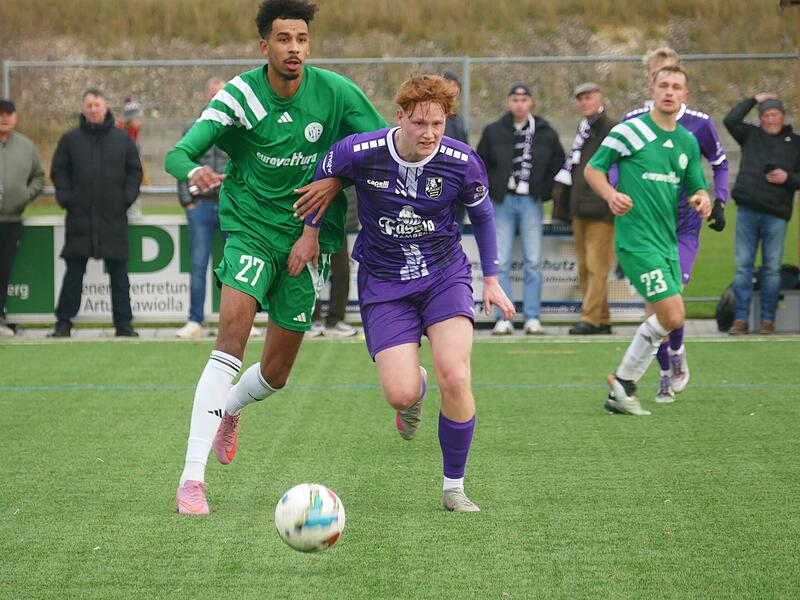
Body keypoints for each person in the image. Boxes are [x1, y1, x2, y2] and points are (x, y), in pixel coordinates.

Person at [164, 0, 387, 515]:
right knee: (229, 344)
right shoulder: (240, 95)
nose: (295, 49)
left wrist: (334, 181)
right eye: (284, 39)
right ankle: (191, 480)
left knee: (276, 373)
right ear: (264, 45)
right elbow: (179, 153)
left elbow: (379, 145)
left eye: (302, 39)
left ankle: (231, 409)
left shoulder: (335, 92)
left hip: (307, 242)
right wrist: (193, 172)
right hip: (249, 230)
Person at [310, 74, 515, 510]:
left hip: (444, 276)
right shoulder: (361, 151)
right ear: (399, 117)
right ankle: (415, 388)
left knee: (455, 375)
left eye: (438, 124)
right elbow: (322, 174)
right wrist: (311, 230)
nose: (429, 133)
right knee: (399, 394)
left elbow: (483, 215)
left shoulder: (462, 161)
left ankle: (454, 487)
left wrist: (492, 279)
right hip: (384, 282)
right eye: (420, 123)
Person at [584, 65, 711, 416]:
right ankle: (624, 382)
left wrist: (702, 198)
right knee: (673, 313)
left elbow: (697, 184)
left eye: (676, 87)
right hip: (636, 241)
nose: (669, 92)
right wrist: (611, 195)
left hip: (667, 244)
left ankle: (622, 388)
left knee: (669, 317)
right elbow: (593, 169)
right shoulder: (630, 131)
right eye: (663, 85)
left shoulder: (687, 141)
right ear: (652, 91)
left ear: (685, 95)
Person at [622, 47, 729, 403]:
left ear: (682, 85)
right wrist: (617, 192)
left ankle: (676, 353)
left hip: (683, 226)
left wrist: (719, 200)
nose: (666, 87)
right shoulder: (634, 122)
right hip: (647, 226)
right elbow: (610, 161)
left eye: (672, 80)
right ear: (649, 83)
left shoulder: (698, 125)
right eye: (657, 78)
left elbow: (720, 163)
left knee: (673, 297)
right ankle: (665, 372)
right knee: (656, 307)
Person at [49, 88, 143, 338]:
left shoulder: (123, 140)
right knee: (73, 274)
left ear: (106, 107)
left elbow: (135, 172)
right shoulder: (70, 140)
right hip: (79, 218)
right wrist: (67, 199)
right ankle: (63, 324)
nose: (93, 109)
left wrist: (125, 199)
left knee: (119, 274)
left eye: (97, 105)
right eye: (89, 105)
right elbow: (59, 171)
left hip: (113, 219)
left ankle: (124, 325)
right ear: (83, 108)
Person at [477, 83, 565, 335]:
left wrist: (543, 191)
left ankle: (532, 318)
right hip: (502, 202)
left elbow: (559, 163)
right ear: (508, 102)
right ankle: (503, 318)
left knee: (533, 262)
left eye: (524, 100)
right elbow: (480, 164)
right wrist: (492, 190)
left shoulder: (545, 131)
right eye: (515, 99)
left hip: (531, 203)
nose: (519, 104)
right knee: (500, 261)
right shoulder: (494, 130)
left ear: (531, 102)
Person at [723, 94, 800, 335]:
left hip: (776, 214)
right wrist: (753, 99)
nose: (770, 120)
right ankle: (740, 320)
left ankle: (768, 320)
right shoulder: (750, 135)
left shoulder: (796, 143)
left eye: (774, 115)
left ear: (783, 116)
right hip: (747, 210)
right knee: (743, 267)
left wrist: (788, 178)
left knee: (772, 269)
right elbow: (730, 120)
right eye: (765, 115)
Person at [553, 82, 616, 335]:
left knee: (597, 267)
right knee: (584, 267)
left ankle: (589, 318)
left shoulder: (610, 128)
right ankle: (602, 319)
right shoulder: (584, 129)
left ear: (600, 99)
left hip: (601, 208)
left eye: (589, 97)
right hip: (579, 208)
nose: (584, 102)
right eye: (581, 98)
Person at [0, 99, 45, 337]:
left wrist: (25, 195)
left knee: (4, 271)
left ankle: (0, 317)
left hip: (12, 221)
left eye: (8, 113)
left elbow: (39, 175)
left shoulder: (26, 146)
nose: (4, 118)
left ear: (15, 117)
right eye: (0, 113)